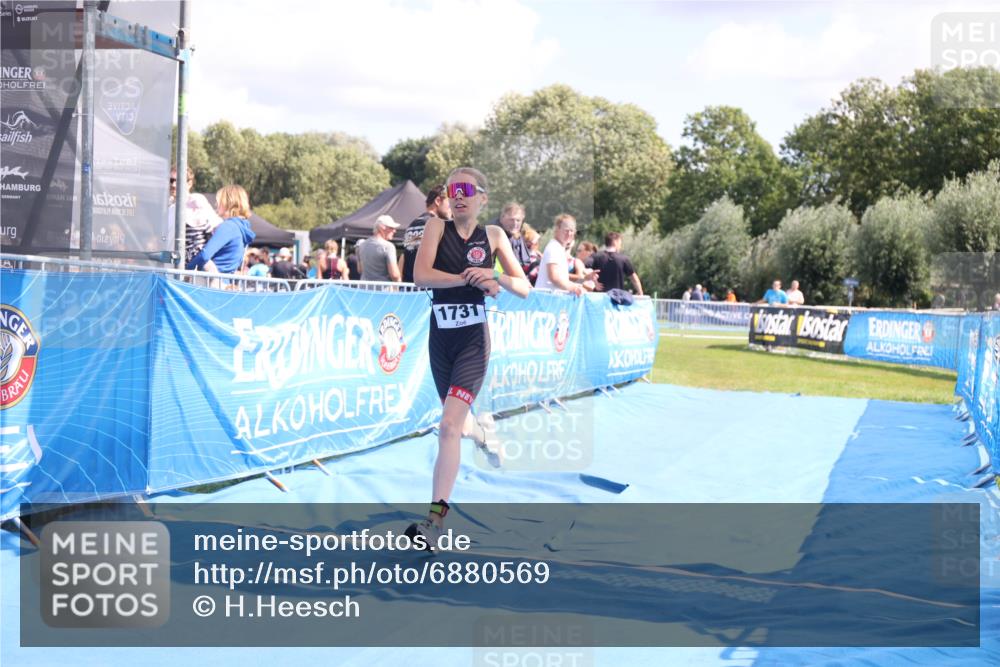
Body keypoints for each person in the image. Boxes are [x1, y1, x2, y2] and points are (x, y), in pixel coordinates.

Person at [408, 167, 531, 546]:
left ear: (482, 198)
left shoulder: (493, 235)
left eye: (466, 189)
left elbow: (523, 287)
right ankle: (481, 432)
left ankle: (434, 522)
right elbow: (421, 276)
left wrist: (493, 276)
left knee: (447, 425)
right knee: (458, 427)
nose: (458, 195)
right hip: (440, 339)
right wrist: (467, 277)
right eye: (452, 189)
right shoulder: (436, 227)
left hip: (473, 344)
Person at [186, 185, 255, 274]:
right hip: (225, 279)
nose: (216, 205)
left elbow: (205, 255)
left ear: (229, 203)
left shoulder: (229, 226)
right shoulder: (241, 228)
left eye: (219, 202)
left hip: (211, 279)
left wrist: (186, 269)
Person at [168, 166, 221, 265]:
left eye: (178, 181)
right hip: (172, 267)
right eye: (171, 180)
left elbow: (218, 227)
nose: (173, 185)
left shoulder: (196, 200)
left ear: (189, 183)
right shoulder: (169, 208)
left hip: (194, 268)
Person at [400, 185, 451, 283]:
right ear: (438, 201)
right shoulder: (437, 225)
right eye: (450, 202)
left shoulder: (412, 225)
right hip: (430, 287)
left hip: (411, 287)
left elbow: (405, 257)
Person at [534, 214, 585, 296]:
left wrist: (578, 285)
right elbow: (554, 277)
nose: (569, 233)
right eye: (566, 230)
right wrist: (574, 288)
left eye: (572, 231)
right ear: (557, 229)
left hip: (549, 298)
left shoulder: (558, 248)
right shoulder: (554, 248)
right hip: (545, 299)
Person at [359, 215, 401, 282]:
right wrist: (398, 283)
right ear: (382, 227)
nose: (394, 231)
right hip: (382, 288)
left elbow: (360, 269)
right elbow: (394, 274)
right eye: (391, 228)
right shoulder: (388, 246)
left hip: (364, 287)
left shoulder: (362, 245)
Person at [494, 202, 532, 274]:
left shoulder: (517, 237)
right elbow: (492, 271)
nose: (515, 223)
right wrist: (498, 277)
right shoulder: (494, 238)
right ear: (502, 219)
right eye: (511, 220)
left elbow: (525, 262)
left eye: (518, 220)